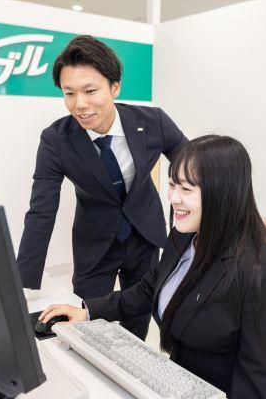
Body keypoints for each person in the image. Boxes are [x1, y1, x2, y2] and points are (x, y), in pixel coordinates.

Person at [40, 135, 266, 399]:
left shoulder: (263, 272)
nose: (173, 198)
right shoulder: (183, 236)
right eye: (172, 185)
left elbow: (257, 378)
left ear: (223, 194)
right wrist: (89, 312)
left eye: (186, 189)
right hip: (180, 382)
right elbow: (149, 289)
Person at [16, 35, 188, 340]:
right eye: (69, 93)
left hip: (145, 234)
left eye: (90, 91)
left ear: (114, 87)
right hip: (94, 241)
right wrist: (21, 282)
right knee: (85, 325)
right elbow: (41, 210)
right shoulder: (56, 140)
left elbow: (197, 167)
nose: (79, 104)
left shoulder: (153, 122)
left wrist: (241, 211)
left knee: (137, 319)